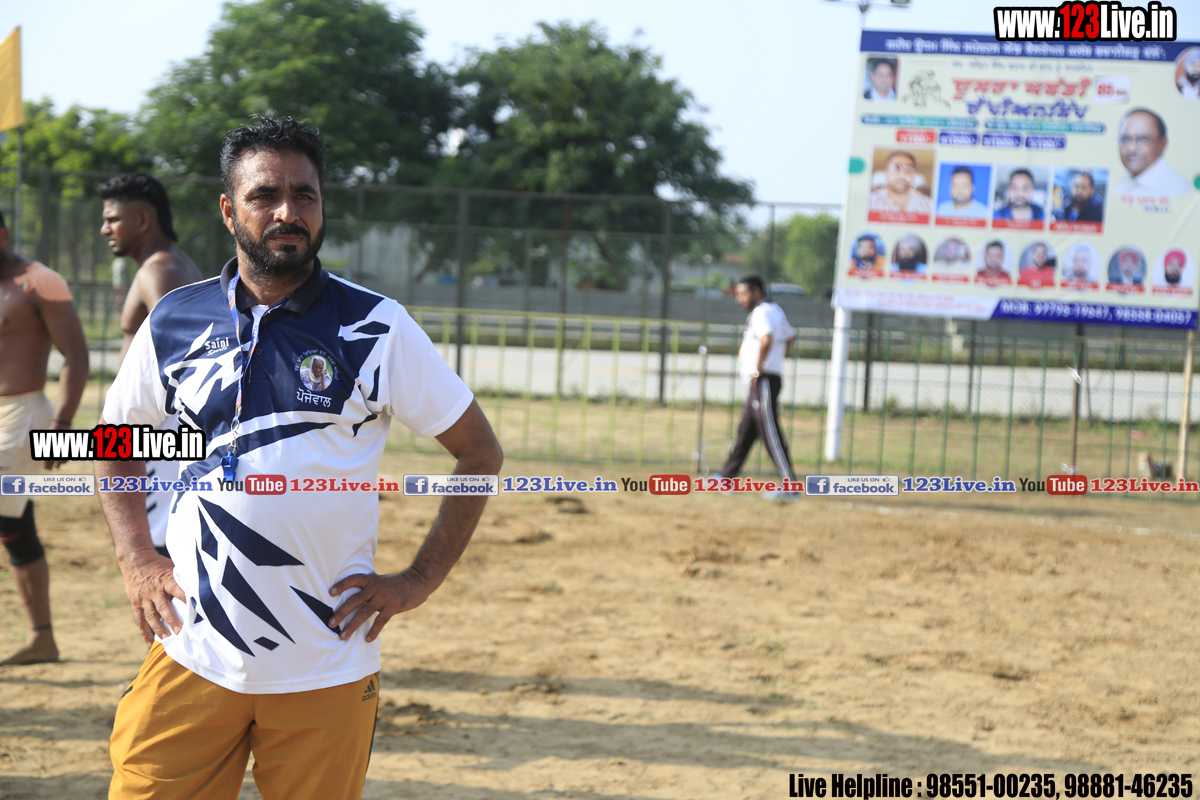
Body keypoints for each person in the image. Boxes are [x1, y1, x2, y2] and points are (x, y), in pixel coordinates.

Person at [95, 116, 504, 800]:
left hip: (327, 663)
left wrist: (419, 579)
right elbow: (114, 441)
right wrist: (137, 557)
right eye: (265, 195)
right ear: (229, 210)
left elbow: (480, 453)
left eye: (305, 195)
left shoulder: (377, 326)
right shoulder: (173, 319)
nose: (288, 212)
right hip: (194, 650)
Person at [0, 210, 89, 666]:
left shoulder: (40, 282)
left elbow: (76, 355)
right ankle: (42, 640)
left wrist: (62, 422)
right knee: (14, 527)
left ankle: (42, 639)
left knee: (11, 524)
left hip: (20, 416)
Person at [99, 173, 204, 560]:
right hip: (155, 426)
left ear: (143, 220)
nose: (105, 229)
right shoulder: (165, 265)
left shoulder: (161, 270)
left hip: (162, 428)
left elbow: (184, 357)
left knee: (161, 546)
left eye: (113, 219)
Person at [714, 276, 797, 499]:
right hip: (762, 380)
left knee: (770, 433)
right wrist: (774, 361)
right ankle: (726, 477)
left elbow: (766, 338)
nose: (739, 299)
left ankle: (790, 487)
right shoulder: (774, 309)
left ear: (757, 291)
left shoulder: (763, 311)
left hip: (764, 381)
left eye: (743, 294)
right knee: (746, 432)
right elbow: (790, 337)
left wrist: (760, 369)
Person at [1113, 108, 1190, 197]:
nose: (1132, 148)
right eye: (1125, 139)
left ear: (1162, 144)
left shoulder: (1178, 190)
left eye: (1143, 139)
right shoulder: (1122, 183)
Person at [868, 152, 933, 214]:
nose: (902, 174)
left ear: (913, 174)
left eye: (909, 169)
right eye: (895, 168)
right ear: (886, 172)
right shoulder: (869, 201)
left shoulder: (928, 205)